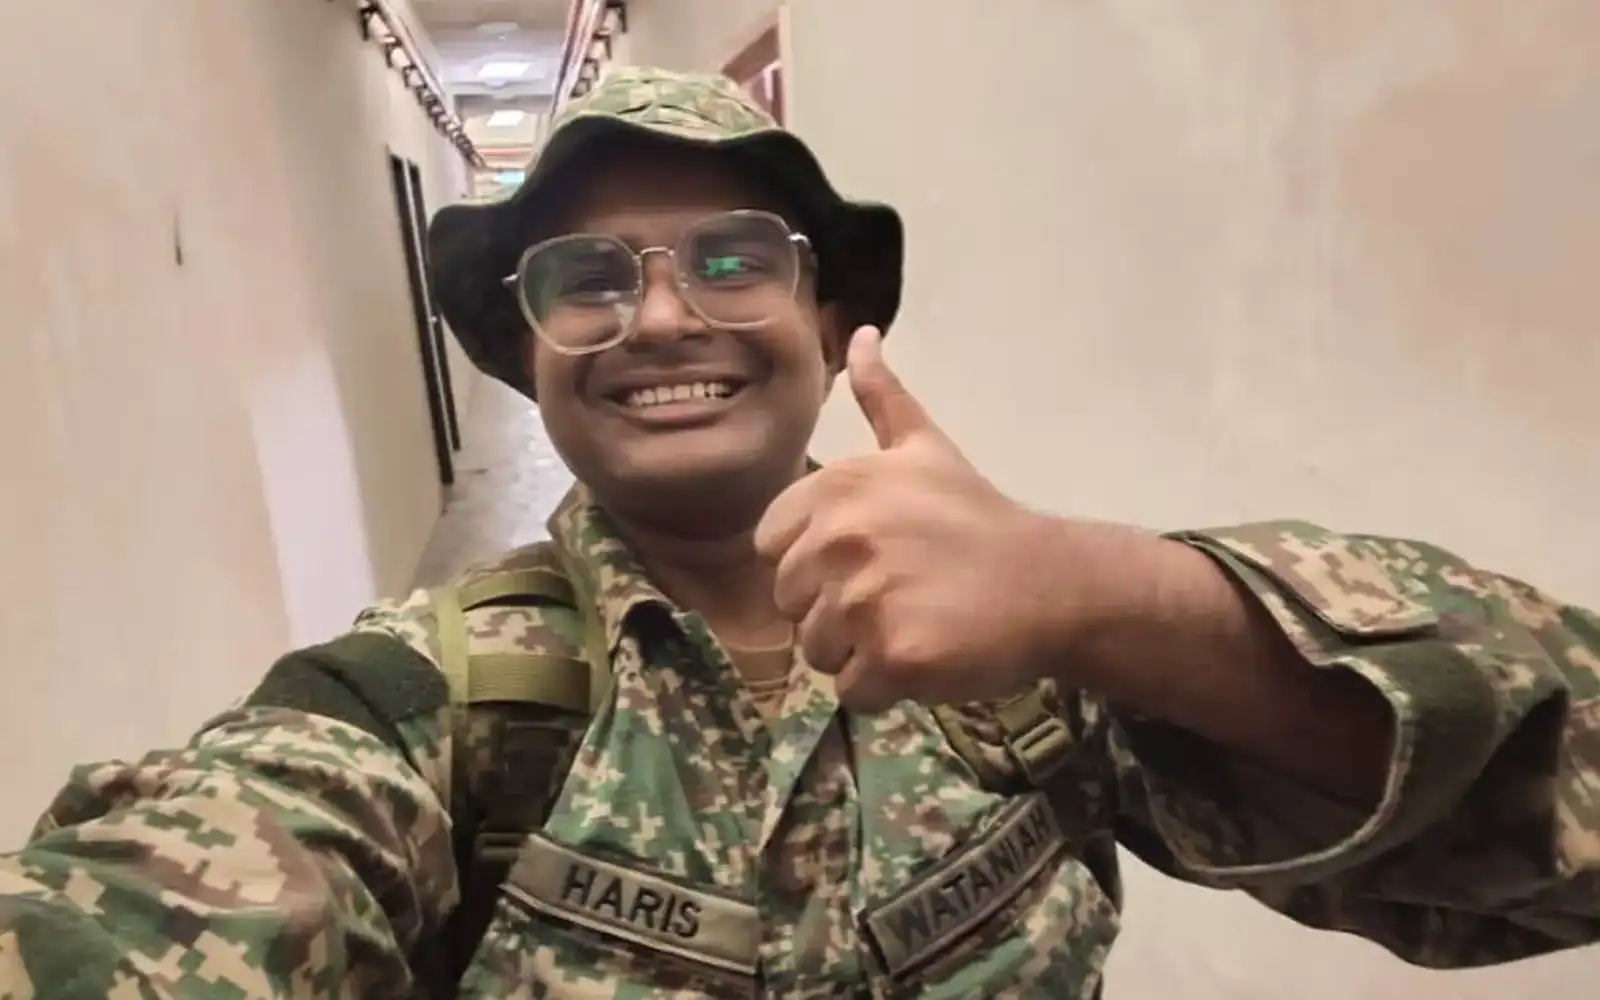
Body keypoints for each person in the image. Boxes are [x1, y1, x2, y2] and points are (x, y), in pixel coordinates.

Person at [1, 65, 1596, 1000]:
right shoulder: (422, 712)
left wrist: (1106, 596)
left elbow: (1561, 814)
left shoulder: (1038, 655)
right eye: (587, 280)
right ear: (532, 361)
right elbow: (157, 907)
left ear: (833, 323)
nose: (659, 318)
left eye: (732, 259)